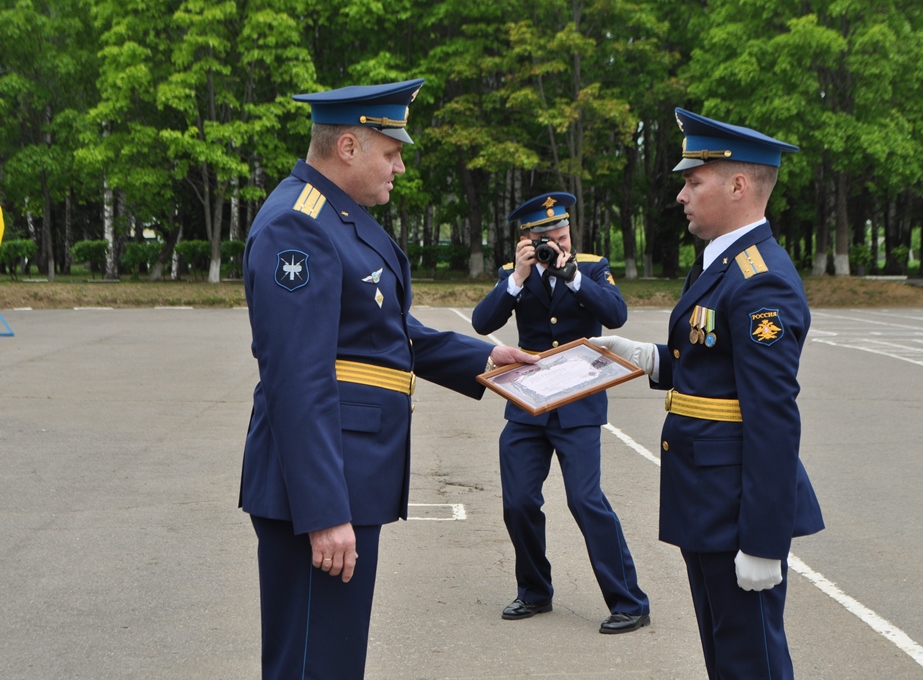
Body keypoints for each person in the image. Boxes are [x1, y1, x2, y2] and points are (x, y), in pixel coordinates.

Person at [239, 78, 535, 679]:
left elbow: (387, 331)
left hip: (351, 472)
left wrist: (481, 358)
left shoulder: (335, 218)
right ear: (348, 147)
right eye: (392, 151)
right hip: (321, 488)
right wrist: (323, 511)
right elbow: (297, 379)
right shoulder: (297, 226)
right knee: (311, 663)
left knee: (334, 658)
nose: (400, 165)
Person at [592, 109, 824, 678]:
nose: (681, 195)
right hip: (707, 494)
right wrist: (649, 360)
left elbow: (772, 418)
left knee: (752, 660)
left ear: (738, 185)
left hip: (735, 505)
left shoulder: (759, 278)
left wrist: (765, 541)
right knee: (726, 654)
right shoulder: (721, 264)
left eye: (694, 182)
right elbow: (708, 361)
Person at [471, 192, 651, 634]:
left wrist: (572, 277)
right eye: (546, 239)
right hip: (528, 405)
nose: (557, 245)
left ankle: (630, 601)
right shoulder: (516, 275)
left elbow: (616, 314)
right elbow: (482, 322)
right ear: (527, 240)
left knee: (585, 500)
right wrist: (516, 277)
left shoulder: (591, 267)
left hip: (579, 403)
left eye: (563, 235)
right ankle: (534, 591)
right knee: (518, 502)